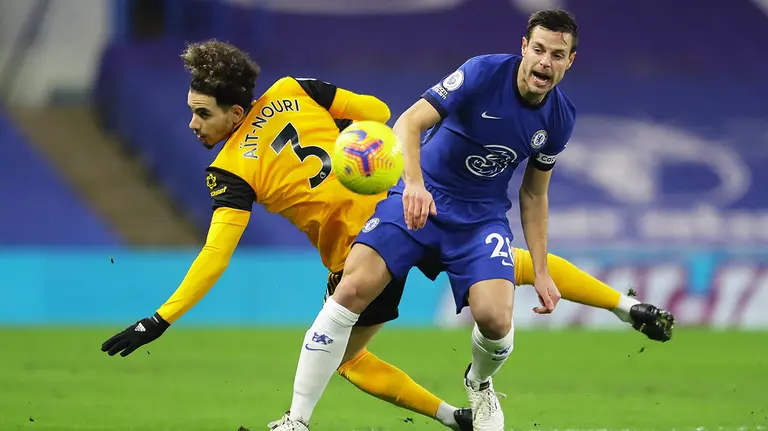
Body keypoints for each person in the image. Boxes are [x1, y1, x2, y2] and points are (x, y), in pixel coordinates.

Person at [99, 38, 674, 431]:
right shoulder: (294, 89)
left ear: (233, 110)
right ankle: (623, 307)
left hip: (370, 240)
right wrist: (357, 144)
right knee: (510, 266)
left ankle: (412, 416)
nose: (194, 124)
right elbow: (376, 109)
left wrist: (162, 317)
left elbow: (215, 255)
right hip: (403, 199)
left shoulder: (227, 171)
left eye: (202, 113)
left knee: (346, 352)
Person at [269, 9, 672, 431]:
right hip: (421, 202)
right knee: (352, 288)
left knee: (496, 321)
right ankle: (295, 421)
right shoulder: (481, 73)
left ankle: (479, 385)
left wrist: (542, 268)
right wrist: (414, 183)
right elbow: (408, 123)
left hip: (479, 221)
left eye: (557, 54)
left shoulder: (559, 119)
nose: (544, 63)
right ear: (524, 47)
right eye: (538, 50)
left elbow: (534, 194)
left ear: (570, 61)